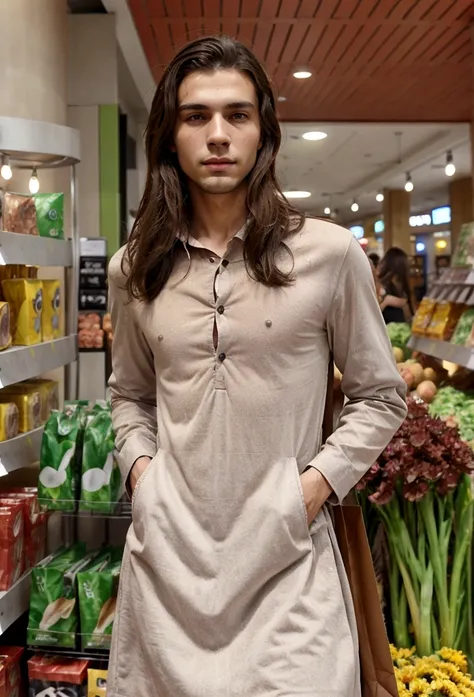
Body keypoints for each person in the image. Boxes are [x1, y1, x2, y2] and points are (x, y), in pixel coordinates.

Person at [107, 35, 407, 697]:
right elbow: (129, 394)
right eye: (196, 116)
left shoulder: (329, 255)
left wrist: (310, 491)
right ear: (169, 135)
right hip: (166, 579)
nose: (218, 134)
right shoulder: (134, 268)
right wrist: (144, 476)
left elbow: (381, 395)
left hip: (290, 576)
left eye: (237, 115)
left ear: (264, 132)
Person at [378, 247, 415, 325]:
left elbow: (410, 313)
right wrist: (386, 302)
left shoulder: (403, 286)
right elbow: (370, 314)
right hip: (385, 331)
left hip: (401, 330)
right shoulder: (381, 285)